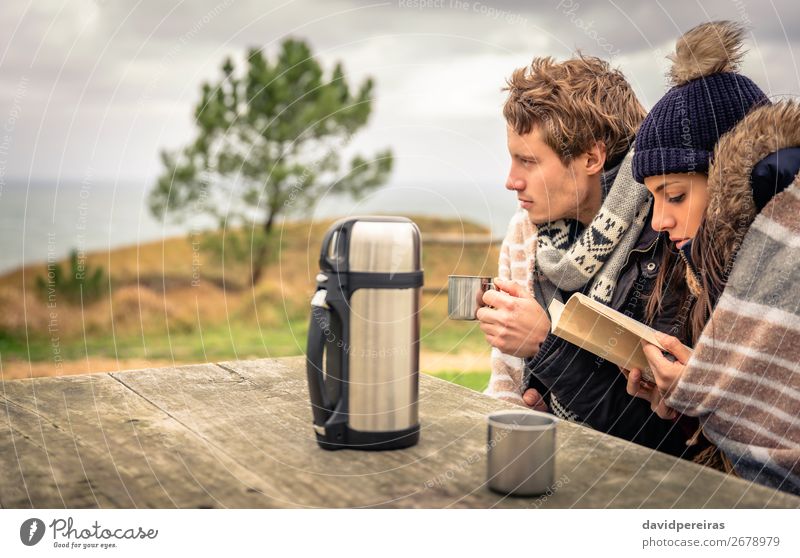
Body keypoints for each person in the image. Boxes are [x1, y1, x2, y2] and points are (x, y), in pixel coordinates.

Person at [479, 53, 699, 458]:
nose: (511, 180)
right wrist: (536, 412)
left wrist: (545, 345)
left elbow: (673, 437)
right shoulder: (527, 232)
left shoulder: (672, 238)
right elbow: (507, 387)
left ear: (591, 158)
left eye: (527, 160)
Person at [625, 21, 800, 493]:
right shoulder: (695, 276)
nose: (658, 221)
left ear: (728, 186)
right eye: (652, 199)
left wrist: (704, 395)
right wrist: (680, 408)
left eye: (675, 196)